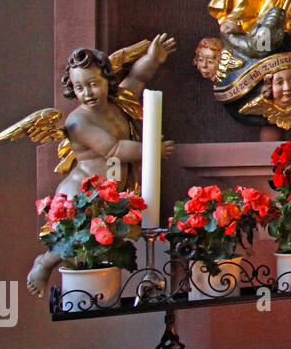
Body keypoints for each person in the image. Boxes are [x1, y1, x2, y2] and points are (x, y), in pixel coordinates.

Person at [25, 34, 177, 297]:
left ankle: (99, 284)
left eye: (93, 84)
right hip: (82, 194)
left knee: (104, 240)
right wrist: (151, 149)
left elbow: (137, 79)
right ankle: (44, 264)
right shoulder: (78, 122)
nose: (87, 93)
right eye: (80, 87)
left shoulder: (119, 104)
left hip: (109, 195)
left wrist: (152, 58)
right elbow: (114, 149)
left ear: (107, 79)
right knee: (72, 240)